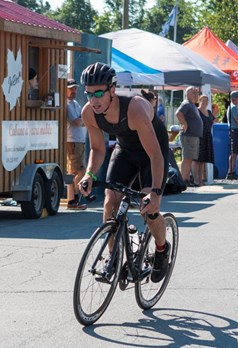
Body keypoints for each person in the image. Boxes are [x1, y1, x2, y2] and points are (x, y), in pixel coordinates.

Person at [77, 62, 171, 283]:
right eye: (89, 94)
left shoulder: (135, 108)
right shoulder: (89, 113)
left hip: (151, 154)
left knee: (148, 210)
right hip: (125, 151)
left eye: (99, 93)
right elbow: (98, 149)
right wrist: (89, 174)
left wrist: (155, 193)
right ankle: (114, 258)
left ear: (112, 89)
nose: (94, 99)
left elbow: (156, 155)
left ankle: (161, 249)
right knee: (110, 202)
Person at [65, 79, 87, 210]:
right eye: (71, 88)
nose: (74, 91)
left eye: (75, 88)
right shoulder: (67, 104)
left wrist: (83, 120)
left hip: (79, 141)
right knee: (81, 172)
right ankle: (77, 196)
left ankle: (72, 201)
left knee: (73, 172)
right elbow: (76, 121)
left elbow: (81, 120)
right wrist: (85, 120)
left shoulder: (76, 103)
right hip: (72, 141)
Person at [175, 86, 202, 187]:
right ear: (187, 94)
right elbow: (178, 113)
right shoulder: (186, 103)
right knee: (187, 157)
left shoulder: (192, 105)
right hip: (188, 135)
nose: (195, 94)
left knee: (190, 158)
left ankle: (186, 178)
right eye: (192, 93)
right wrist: (184, 123)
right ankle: (184, 179)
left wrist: (196, 92)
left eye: (195, 93)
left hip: (193, 135)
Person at [195, 94, 215, 186]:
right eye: (203, 100)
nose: (204, 102)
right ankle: (196, 180)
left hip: (207, 136)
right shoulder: (197, 111)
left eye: (206, 101)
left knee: (203, 160)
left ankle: (201, 179)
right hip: (199, 136)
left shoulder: (209, 112)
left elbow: (213, 122)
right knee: (197, 159)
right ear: (199, 101)